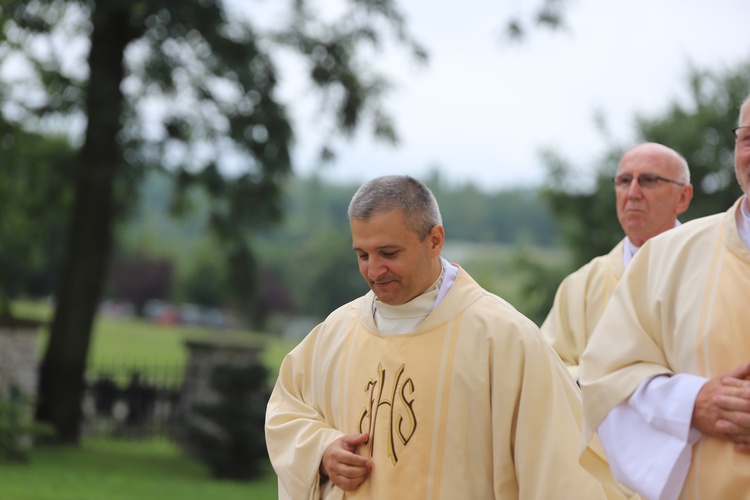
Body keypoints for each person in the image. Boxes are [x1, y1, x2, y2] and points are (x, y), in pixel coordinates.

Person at [265, 175, 625, 499]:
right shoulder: (334, 334)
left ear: (434, 240)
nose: (374, 271)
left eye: (389, 253)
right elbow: (286, 412)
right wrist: (323, 452)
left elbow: (559, 466)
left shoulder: (503, 338)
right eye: (362, 255)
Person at [580, 93, 750, 499]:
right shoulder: (667, 255)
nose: (633, 192)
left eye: (650, 180)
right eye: (748, 137)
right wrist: (690, 404)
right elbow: (604, 379)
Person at [541, 143, 693, 381]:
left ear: (683, 197)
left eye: (649, 180)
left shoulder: (711, 269)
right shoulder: (581, 286)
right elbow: (547, 367)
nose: (632, 193)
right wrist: (609, 387)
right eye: (623, 181)